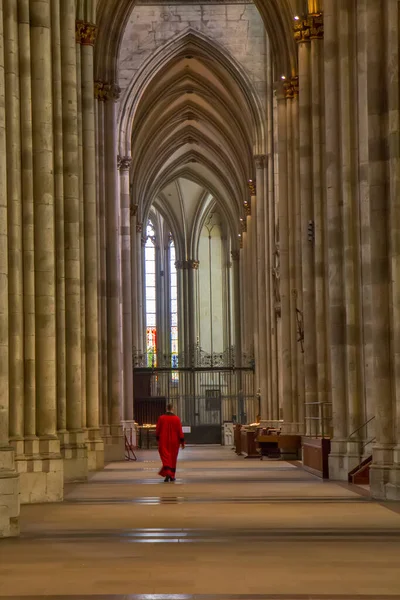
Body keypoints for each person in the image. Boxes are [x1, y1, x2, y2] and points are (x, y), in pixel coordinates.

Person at [156, 403, 185, 482]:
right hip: (174, 441)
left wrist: (157, 438)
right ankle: (172, 475)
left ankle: (168, 473)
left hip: (163, 440)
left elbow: (158, 430)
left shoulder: (161, 418)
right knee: (173, 458)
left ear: (166, 408)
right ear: (173, 409)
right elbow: (180, 431)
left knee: (165, 457)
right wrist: (182, 442)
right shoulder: (177, 419)